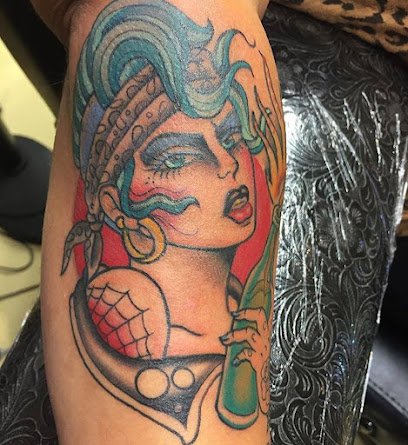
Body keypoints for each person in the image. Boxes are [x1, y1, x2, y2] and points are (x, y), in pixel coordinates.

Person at [32, 0, 285, 443]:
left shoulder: (241, 311)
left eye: (229, 137)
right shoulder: (129, 331)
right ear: (116, 203)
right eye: (180, 157)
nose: (228, 165)